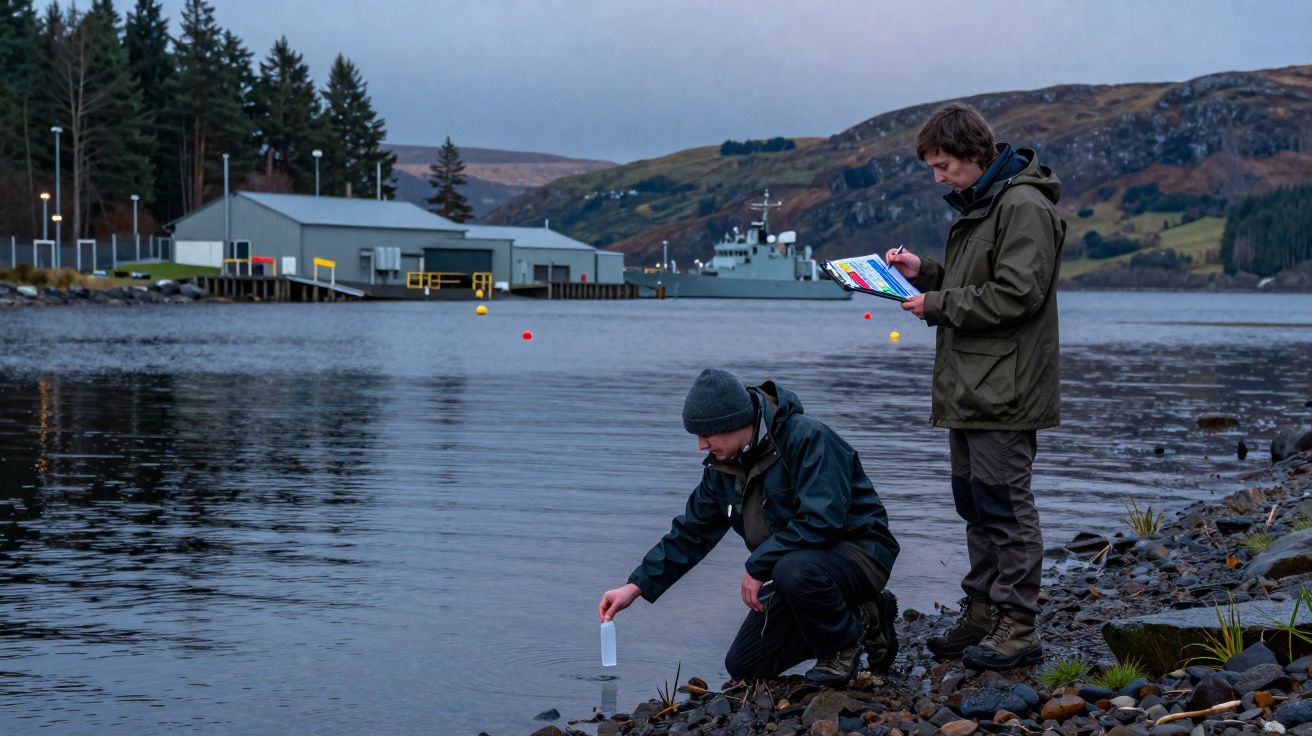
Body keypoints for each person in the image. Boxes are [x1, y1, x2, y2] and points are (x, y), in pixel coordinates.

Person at [885, 102, 1064, 671]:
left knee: (1005, 506)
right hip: (972, 386)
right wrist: (925, 273)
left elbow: (1017, 294)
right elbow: (977, 283)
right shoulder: (986, 203)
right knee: (975, 503)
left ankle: (1018, 626)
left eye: (943, 166)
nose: (938, 178)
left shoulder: (1023, 205)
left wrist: (935, 304)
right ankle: (984, 613)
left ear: (973, 154)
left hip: (1004, 389)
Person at [598, 369, 900, 686]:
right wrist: (635, 586)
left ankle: (841, 648)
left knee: (792, 571)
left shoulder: (807, 438)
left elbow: (824, 521)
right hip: (799, 569)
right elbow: (690, 533)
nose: (700, 445)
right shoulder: (722, 469)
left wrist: (758, 566)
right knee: (745, 665)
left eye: (706, 434)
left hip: (860, 555)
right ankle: (863, 616)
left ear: (733, 422)